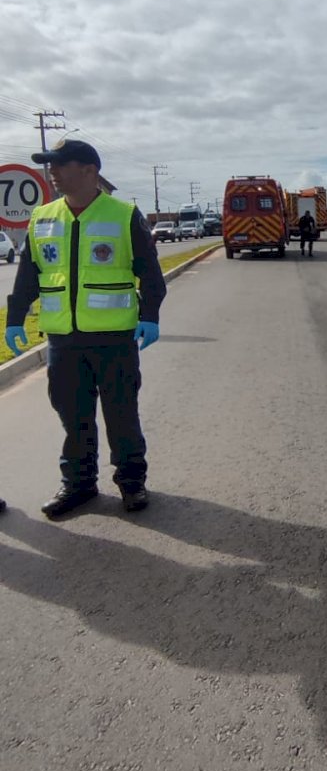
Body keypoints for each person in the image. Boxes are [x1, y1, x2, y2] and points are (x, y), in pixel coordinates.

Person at [4, 139, 166, 518]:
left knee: (121, 415)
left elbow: (150, 274)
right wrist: (15, 318)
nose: (53, 173)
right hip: (63, 341)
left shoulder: (123, 215)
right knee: (72, 417)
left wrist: (151, 315)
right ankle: (78, 484)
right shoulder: (43, 217)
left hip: (114, 340)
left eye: (61, 165)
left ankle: (131, 481)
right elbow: (28, 275)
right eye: (51, 166)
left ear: (90, 170)